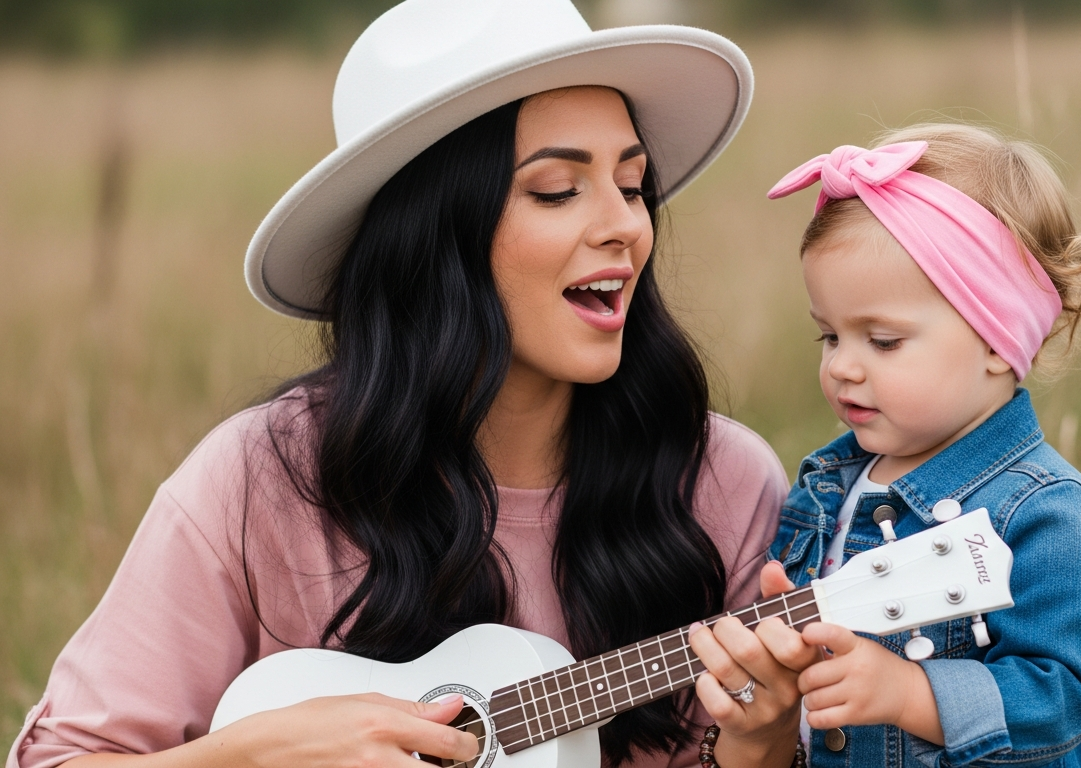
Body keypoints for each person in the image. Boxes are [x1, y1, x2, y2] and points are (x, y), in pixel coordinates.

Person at [5, 0, 806, 766]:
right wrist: (255, 755)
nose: (625, 225)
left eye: (632, 185)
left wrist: (761, 743)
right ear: (435, 239)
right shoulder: (259, 481)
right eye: (558, 190)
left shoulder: (722, 483)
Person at [689, 124, 1081, 766]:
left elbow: (1063, 702)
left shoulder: (1050, 518)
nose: (842, 366)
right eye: (829, 337)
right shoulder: (827, 487)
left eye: (883, 341)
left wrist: (910, 691)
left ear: (994, 340)